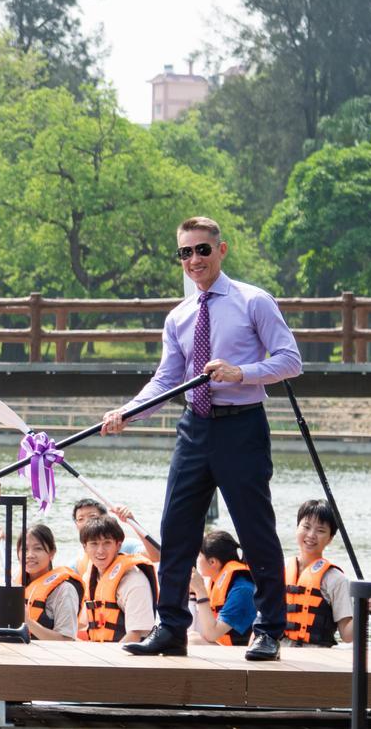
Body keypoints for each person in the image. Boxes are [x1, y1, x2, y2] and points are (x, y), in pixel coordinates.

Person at [102, 216, 302, 661]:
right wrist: (127, 412)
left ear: (221, 250)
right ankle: (172, 627)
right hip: (195, 427)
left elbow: (291, 360)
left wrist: (241, 372)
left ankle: (269, 629)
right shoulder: (179, 316)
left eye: (202, 250)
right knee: (176, 529)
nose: (194, 259)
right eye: (185, 252)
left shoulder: (253, 301)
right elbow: (166, 380)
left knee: (255, 528)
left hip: (242, 425)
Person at [0, 524, 80, 642]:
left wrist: (28, 622)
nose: (30, 555)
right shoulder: (13, 581)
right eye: (24, 549)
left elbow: (66, 640)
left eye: (38, 548)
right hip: (12, 647)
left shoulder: (64, 590)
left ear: (52, 553)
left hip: (41, 652)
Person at [284, 499, 368, 645]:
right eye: (306, 527)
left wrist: (363, 609)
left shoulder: (336, 579)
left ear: (330, 538)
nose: (311, 535)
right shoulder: (280, 569)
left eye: (320, 530)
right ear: (297, 528)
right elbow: (261, 621)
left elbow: (347, 636)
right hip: (279, 652)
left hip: (316, 654)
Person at [78, 515, 157, 644]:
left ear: (118, 545)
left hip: (129, 652)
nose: (100, 551)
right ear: (85, 547)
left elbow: (138, 634)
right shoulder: (89, 577)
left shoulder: (134, 580)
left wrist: (110, 655)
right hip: (100, 648)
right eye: (94, 544)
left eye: (107, 543)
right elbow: (82, 624)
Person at [189, 530, 257, 647]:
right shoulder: (218, 581)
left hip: (243, 652)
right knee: (190, 637)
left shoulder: (242, 590)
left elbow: (211, 634)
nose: (197, 560)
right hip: (226, 645)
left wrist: (200, 590)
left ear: (212, 562)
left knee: (192, 641)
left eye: (199, 556)